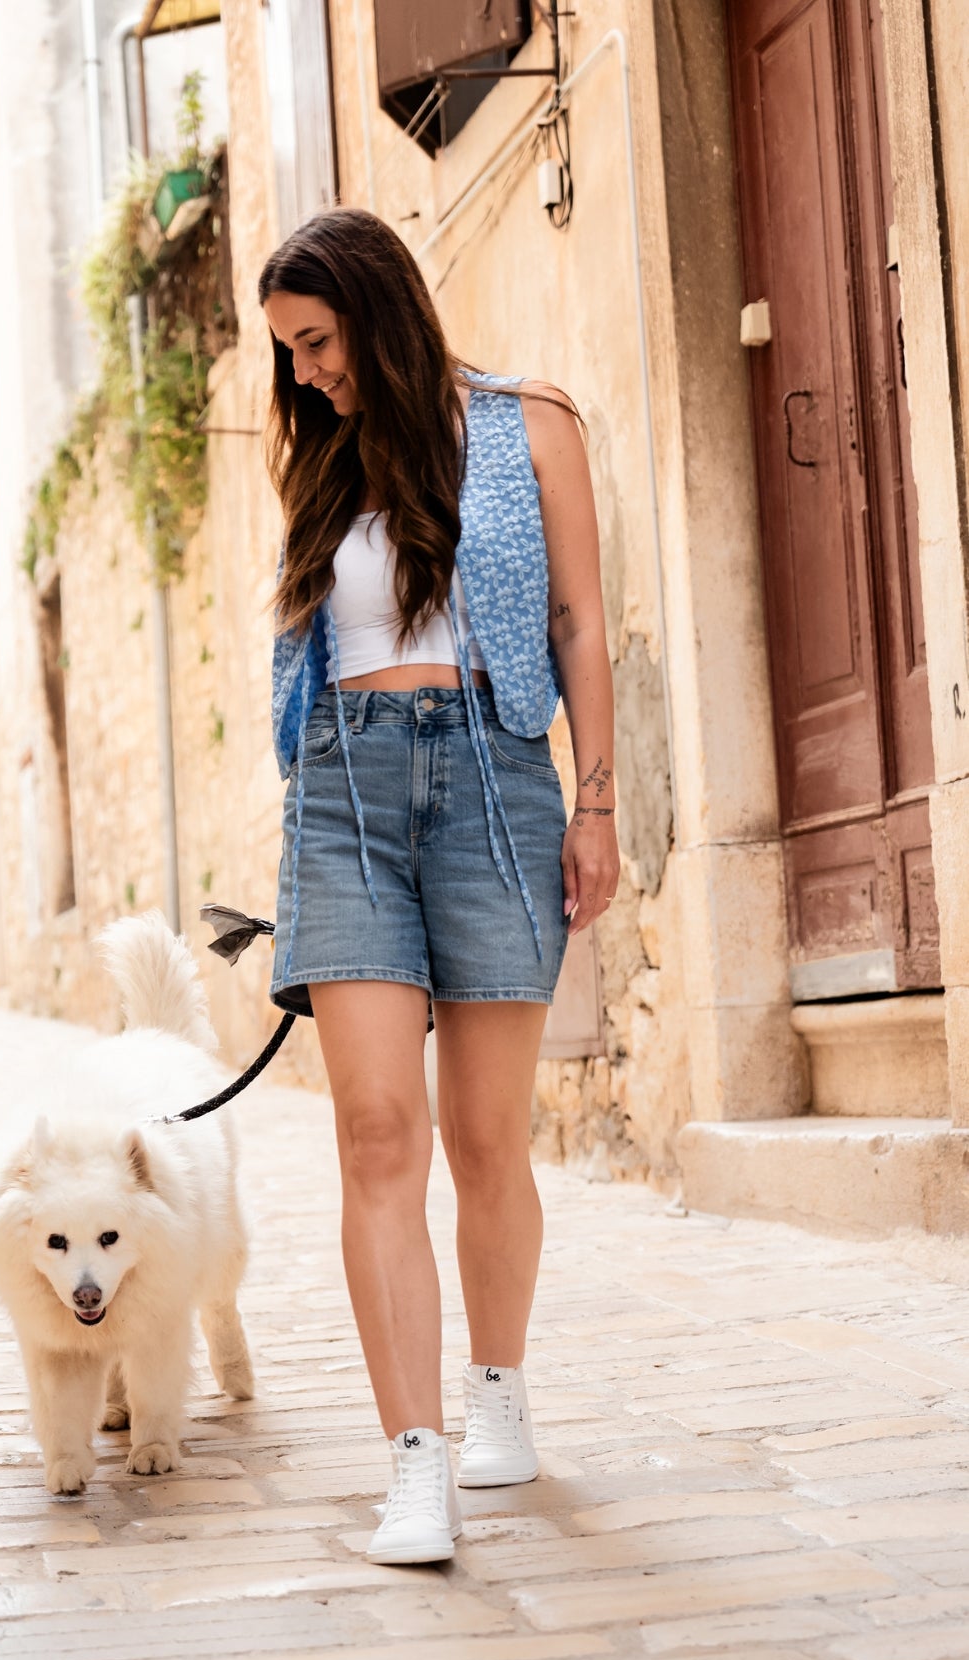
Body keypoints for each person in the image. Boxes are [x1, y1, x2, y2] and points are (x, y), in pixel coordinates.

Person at [258, 209, 619, 1565]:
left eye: (314, 342)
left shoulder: (529, 427)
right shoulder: (321, 463)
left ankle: (497, 1392)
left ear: (376, 309)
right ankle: (411, 1463)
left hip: (494, 784)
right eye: (287, 354)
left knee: (483, 1138)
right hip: (345, 799)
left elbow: (577, 620)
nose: (304, 377)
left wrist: (595, 801)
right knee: (372, 1136)